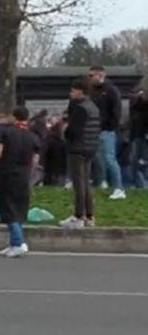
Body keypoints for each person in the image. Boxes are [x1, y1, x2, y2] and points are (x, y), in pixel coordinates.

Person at [0, 108, 41, 258]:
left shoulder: (6, 133)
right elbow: (35, 160)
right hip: (24, 173)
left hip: (8, 171)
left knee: (8, 207)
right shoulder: (33, 136)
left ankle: (18, 242)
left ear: (14, 118)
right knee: (20, 206)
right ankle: (14, 242)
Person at [60, 79, 101, 229]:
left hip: (77, 148)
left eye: (73, 90)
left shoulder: (80, 109)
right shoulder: (93, 107)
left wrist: (65, 130)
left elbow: (73, 131)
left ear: (80, 91)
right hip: (90, 147)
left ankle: (78, 216)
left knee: (78, 184)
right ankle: (90, 215)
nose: (70, 93)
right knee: (86, 184)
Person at [89, 65, 126, 199]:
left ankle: (119, 188)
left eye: (92, 75)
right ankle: (102, 182)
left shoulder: (111, 90)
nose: (90, 78)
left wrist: (110, 126)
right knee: (99, 158)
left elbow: (116, 111)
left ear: (100, 75)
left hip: (107, 130)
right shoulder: (93, 91)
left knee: (110, 159)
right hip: (96, 129)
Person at [128, 88, 148, 188]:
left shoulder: (140, 107)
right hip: (137, 135)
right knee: (136, 160)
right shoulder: (136, 107)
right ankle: (139, 183)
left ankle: (143, 183)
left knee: (141, 160)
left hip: (142, 135)